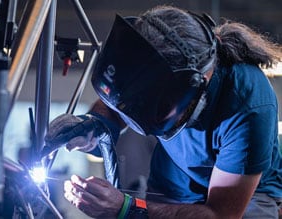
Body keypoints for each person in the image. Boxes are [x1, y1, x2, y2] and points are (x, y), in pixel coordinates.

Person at [44, 5, 282, 218]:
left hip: (244, 199)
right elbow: (121, 105)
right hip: (172, 185)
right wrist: (94, 127)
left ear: (195, 86)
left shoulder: (248, 104)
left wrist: (125, 208)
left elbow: (220, 213)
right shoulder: (160, 72)